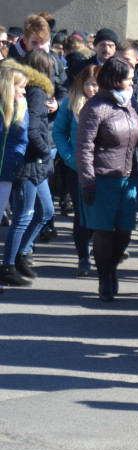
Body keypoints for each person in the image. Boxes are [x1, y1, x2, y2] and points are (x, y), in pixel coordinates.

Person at [76, 57, 138, 301]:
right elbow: (84, 147)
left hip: (127, 178)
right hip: (101, 179)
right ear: (115, 79)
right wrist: (87, 181)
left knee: (124, 232)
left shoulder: (129, 103)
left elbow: (135, 136)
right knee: (103, 232)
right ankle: (104, 279)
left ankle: (111, 267)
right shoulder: (95, 107)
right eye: (128, 78)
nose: (132, 82)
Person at [0, 50, 56, 287]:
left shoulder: (22, 101)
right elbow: (29, 133)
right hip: (16, 170)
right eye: (20, 87)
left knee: (45, 212)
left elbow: (35, 127)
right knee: (22, 217)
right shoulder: (28, 97)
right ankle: (8, 267)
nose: (24, 90)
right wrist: (45, 151)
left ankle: (18, 256)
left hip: (21, 167)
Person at [52, 65, 101, 277]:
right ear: (82, 84)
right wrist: (68, 156)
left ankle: (100, 253)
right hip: (76, 167)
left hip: (103, 168)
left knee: (99, 215)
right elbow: (59, 132)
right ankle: (83, 257)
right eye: (89, 84)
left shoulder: (109, 103)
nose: (93, 89)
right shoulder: (70, 104)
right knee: (82, 214)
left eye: (97, 84)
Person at [0, 66, 28, 292]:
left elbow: (23, 141)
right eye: (21, 87)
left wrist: (18, 165)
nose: (24, 92)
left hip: (7, 174)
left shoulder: (21, 108)